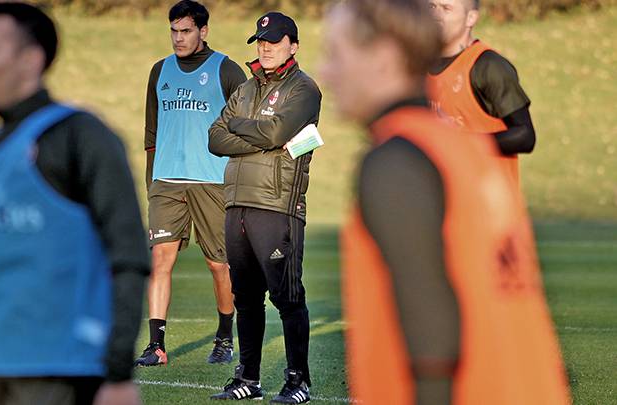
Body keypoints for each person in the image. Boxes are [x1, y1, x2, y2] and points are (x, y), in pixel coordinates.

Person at [320, 0, 570, 404]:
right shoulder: (461, 151)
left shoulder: (400, 160)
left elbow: (432, 331)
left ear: (383, 57)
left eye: (336, 55)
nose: (326, 73)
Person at [0, 3, 149, 405]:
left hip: (49, 371)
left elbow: (127, 256)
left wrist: (118, 371)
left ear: (31, 59)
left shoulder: (81, 137)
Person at [208, 11, 321, 404]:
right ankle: (249, 378)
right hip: (236, 202)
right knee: (245, 297)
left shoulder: (304, 89)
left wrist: (244, 128)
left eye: (274, 40)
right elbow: (215, 138)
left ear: (293, 44)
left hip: (276, 205)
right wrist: (258, 134)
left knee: (287, 296)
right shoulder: (245, 89)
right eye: (260, 40)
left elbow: (276, 132)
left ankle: (298, 382)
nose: (266, 47)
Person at [135, 0, 246, 368]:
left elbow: (243, 128)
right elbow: (152, 131)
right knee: (160, 260)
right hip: (166, 182)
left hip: (212, 181)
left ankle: (225, 336)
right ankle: (156, 345)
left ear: (203, 31)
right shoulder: (159, 70)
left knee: (219, 265)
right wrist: (152, 180)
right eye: (173, 31)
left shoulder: (226, 70)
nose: (178, 38)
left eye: (185, 31)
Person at [426, 0, 536, 189]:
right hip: (443, 204)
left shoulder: (488, 66)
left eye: (446, 8)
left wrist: (464, 143)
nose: (436, 15)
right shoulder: (419, 64)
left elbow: (525, 136)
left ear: (471, 18)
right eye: (432, 7)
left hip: (490, 206)